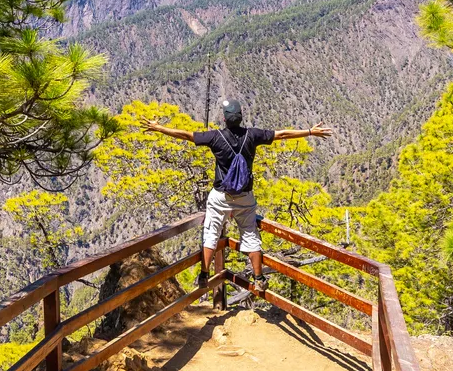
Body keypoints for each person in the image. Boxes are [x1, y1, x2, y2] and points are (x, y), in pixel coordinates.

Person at [142, 99, 332, 292]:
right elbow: (282, 134)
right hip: (244, 196)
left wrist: (159, 128)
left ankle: (204, 274)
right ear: (241, 117)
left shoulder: (215, 137)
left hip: (220, 196)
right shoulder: (253, 135)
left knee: (211, 234)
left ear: (224, 119)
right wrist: (309, 131)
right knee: (250, 235)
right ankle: (258, 278)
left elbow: (187, 136)